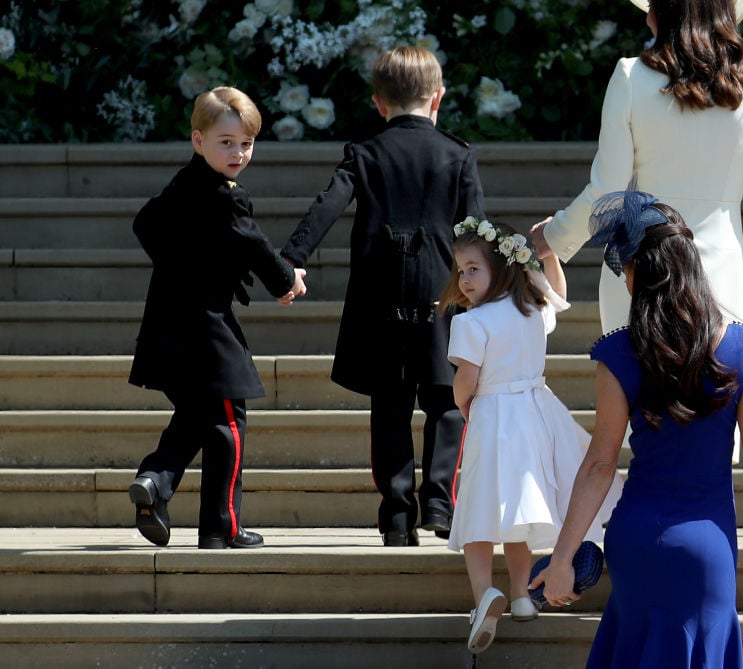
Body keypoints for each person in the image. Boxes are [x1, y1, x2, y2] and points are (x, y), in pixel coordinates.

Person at [530, 190, 743, 668]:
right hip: (705, 545)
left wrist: (563, 557)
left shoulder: (617, 355)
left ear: (634, 278)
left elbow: (601, 462)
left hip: (636, 539)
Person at [279, 46, 486, 547]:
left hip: (381, 296)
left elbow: (327, 203)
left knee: (390, 406)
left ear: (378, 102)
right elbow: (475, 230)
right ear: (437, 98)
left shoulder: (365, 151)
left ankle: (397, 516)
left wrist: (292, 258)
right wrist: (492, 287)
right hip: (444, 294)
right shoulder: (457, 154)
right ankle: (440, 498)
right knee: (448, 399)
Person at [531, 0, 743, 333]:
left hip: (637, 268)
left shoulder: (630, 76)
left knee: (630, 381)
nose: (646, 17)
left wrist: (556, 235)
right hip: (718, 272)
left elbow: (607, 191)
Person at [128, 86, 307, 550]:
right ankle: (222, 526)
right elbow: (254, 244)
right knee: (229, 421)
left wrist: (181, 264)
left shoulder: (183, 184)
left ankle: (155, 481)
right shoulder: (226, 197)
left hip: (167, 325)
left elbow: (145, 223)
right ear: (198, 140)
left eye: (246, 143)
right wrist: (287, 281)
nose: (238, 152)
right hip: (203, 327)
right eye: (226, 142)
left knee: (199, 414)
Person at [439, 217, 622, 654]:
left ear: (500, 269)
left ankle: (484, 593)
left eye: (473, 269)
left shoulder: (472, 322)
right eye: (460, 271)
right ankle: (521, 596)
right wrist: (550, 253)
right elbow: (557, 291)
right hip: (536, 413)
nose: (464, 279)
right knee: (517, 507)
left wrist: (466, 404)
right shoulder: (531, 309)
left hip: (493, 413)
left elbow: (466, 378)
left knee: (481, 507)